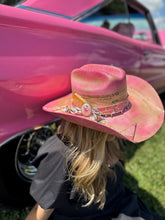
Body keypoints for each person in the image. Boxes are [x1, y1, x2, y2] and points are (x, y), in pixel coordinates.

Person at [25, 64, 165, 220]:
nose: (123, 126)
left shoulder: (106, 141)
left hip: (119, 204)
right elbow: (41, 211)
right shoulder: (61, 156)